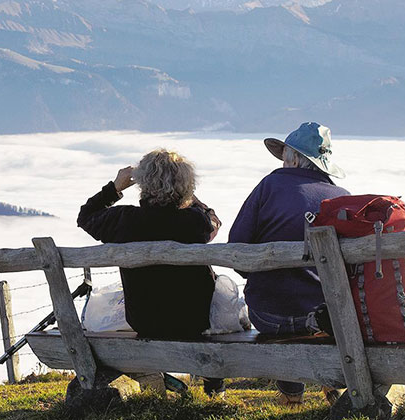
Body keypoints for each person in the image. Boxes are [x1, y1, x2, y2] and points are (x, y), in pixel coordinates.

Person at [77, 149, 225, 394]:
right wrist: (191, 196)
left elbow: (86, 216)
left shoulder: (122, 220)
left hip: (145, 320)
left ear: (142, 184)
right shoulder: (195, 222)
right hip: (196, 320)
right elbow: (213, 220)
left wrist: (115, 187)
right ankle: (214, 386)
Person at [227, 122, 347, 405]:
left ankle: (292, 394)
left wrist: (253, 272)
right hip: (327, 318)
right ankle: (333, 384)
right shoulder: (342, 196)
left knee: (279, 309)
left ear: (293, 157)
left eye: (284, 154)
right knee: (317, 317)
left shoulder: (269, 185)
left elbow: (237, 249)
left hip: (269, 315)